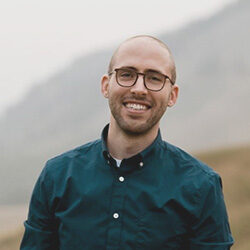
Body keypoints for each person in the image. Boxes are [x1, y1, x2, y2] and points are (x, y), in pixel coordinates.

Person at [20, 35, 234, 249]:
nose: (139, 89)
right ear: (106, 86)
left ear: (172, 95)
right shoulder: (56, 176)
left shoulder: (202, 187)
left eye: (154, 78)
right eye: (126, 74)